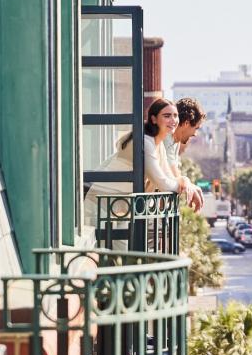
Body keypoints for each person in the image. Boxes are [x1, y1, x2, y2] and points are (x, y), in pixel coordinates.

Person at [84, 99, 197, 246]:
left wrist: (185, 182)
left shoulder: (158, 145)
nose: (173, 120)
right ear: (154, 119)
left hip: (118, 209)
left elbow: (171, 177)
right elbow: (163, 183)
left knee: (123, 259)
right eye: (167, 116)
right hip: (99, 207)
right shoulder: (145, 142)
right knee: (112, 258)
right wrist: (182, 186)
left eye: (175, 116)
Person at [164, 97, 206, 210]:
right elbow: (171, 175)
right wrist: (188, 183)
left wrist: (188, 183)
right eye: (196, 128)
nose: (195, 134)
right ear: (186, 123)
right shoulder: (166, 137)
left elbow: (176, 175)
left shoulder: (175, 141)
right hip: (121, 191)